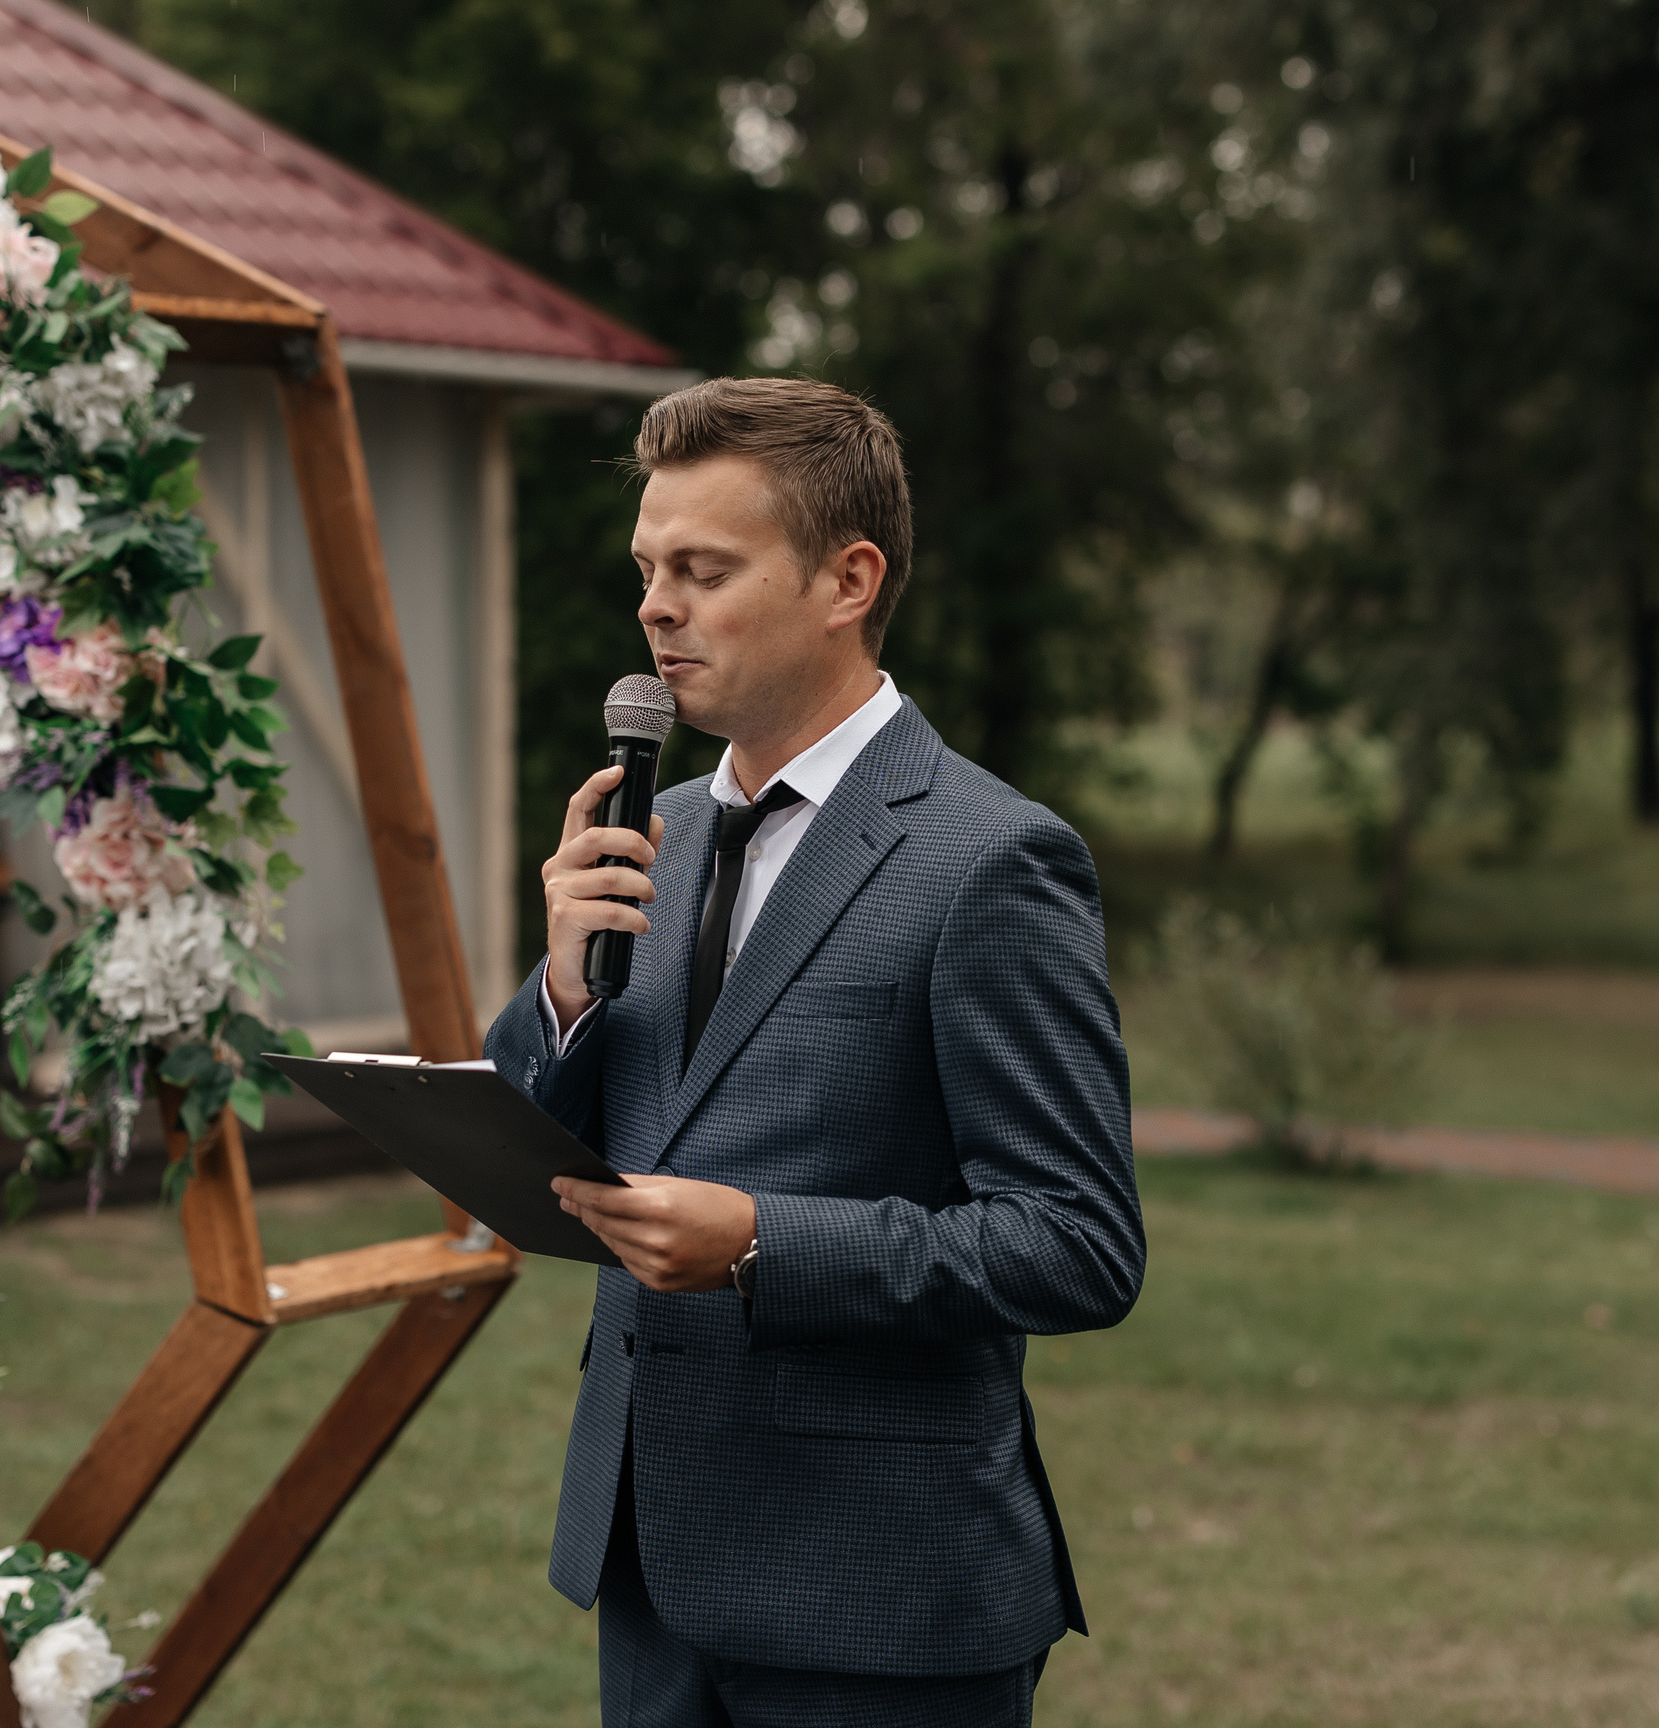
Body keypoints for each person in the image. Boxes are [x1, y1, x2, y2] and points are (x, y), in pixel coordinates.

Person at [485, 376, 1143, 1727]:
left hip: (877, 1599)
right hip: (653, 1564)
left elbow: (1078, 1245)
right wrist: (559, 992)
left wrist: (761, 1242)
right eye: (649, 569)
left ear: (847, 581)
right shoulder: (649, 829)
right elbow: (556, 1138)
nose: (657, 606)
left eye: (704, 570)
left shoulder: (988, 862)